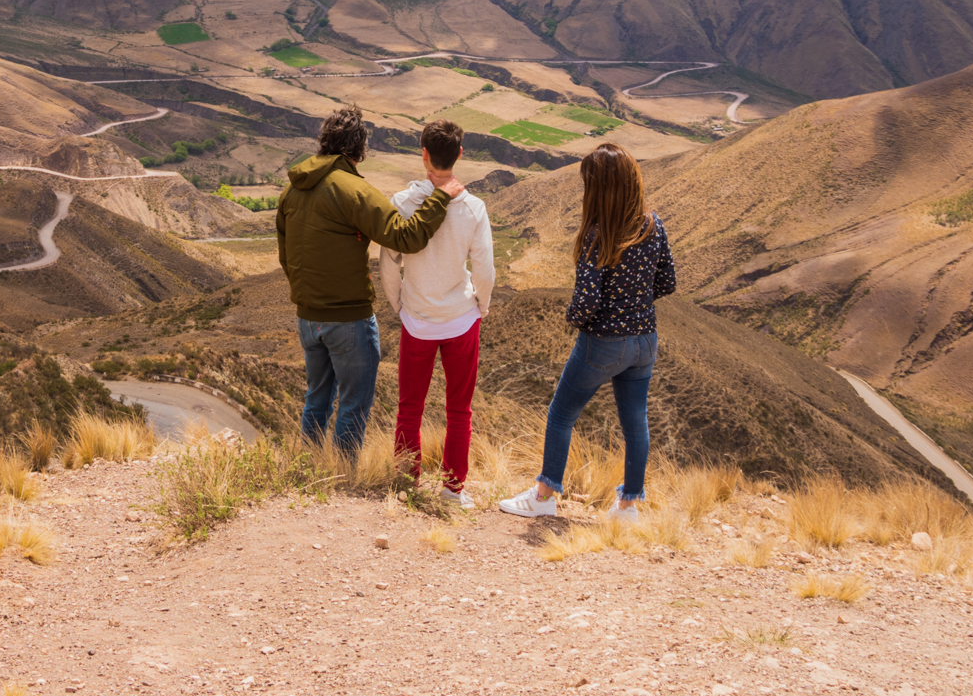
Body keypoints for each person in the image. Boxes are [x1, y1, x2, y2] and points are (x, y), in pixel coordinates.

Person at [499, 142, 675, 522]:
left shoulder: (598, 234)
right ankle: (628, 506)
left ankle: (544, 495)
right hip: (645, 339)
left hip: (603, 342)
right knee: (635, 421)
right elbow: (667, 281)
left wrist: (575, 319)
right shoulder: (653, 224)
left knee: (562, 413)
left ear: (597, 188)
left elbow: (586, 303)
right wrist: (635, 303)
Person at [278, 106, 462, 456]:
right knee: (353, 404)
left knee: (316, 400)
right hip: (348, 320)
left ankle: (306, 472)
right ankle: (343, 480)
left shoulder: (292, 191)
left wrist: (309, 298)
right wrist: (440, 197)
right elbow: (406, 237)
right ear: (359, 149)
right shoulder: (353, 190)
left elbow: (286, 258)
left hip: (307, 318)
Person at [379, 119, 494, 508]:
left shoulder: (402, 203)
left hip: (417, 319)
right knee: (459, 409)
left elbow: (388, 262)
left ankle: (405, 481)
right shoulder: (474, 208)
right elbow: (484, 269)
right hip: (461, 319)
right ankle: (451, 490)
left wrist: (398, 304)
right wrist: (482, 304)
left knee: (409, 406)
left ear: (423, 154)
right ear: (460, 154)